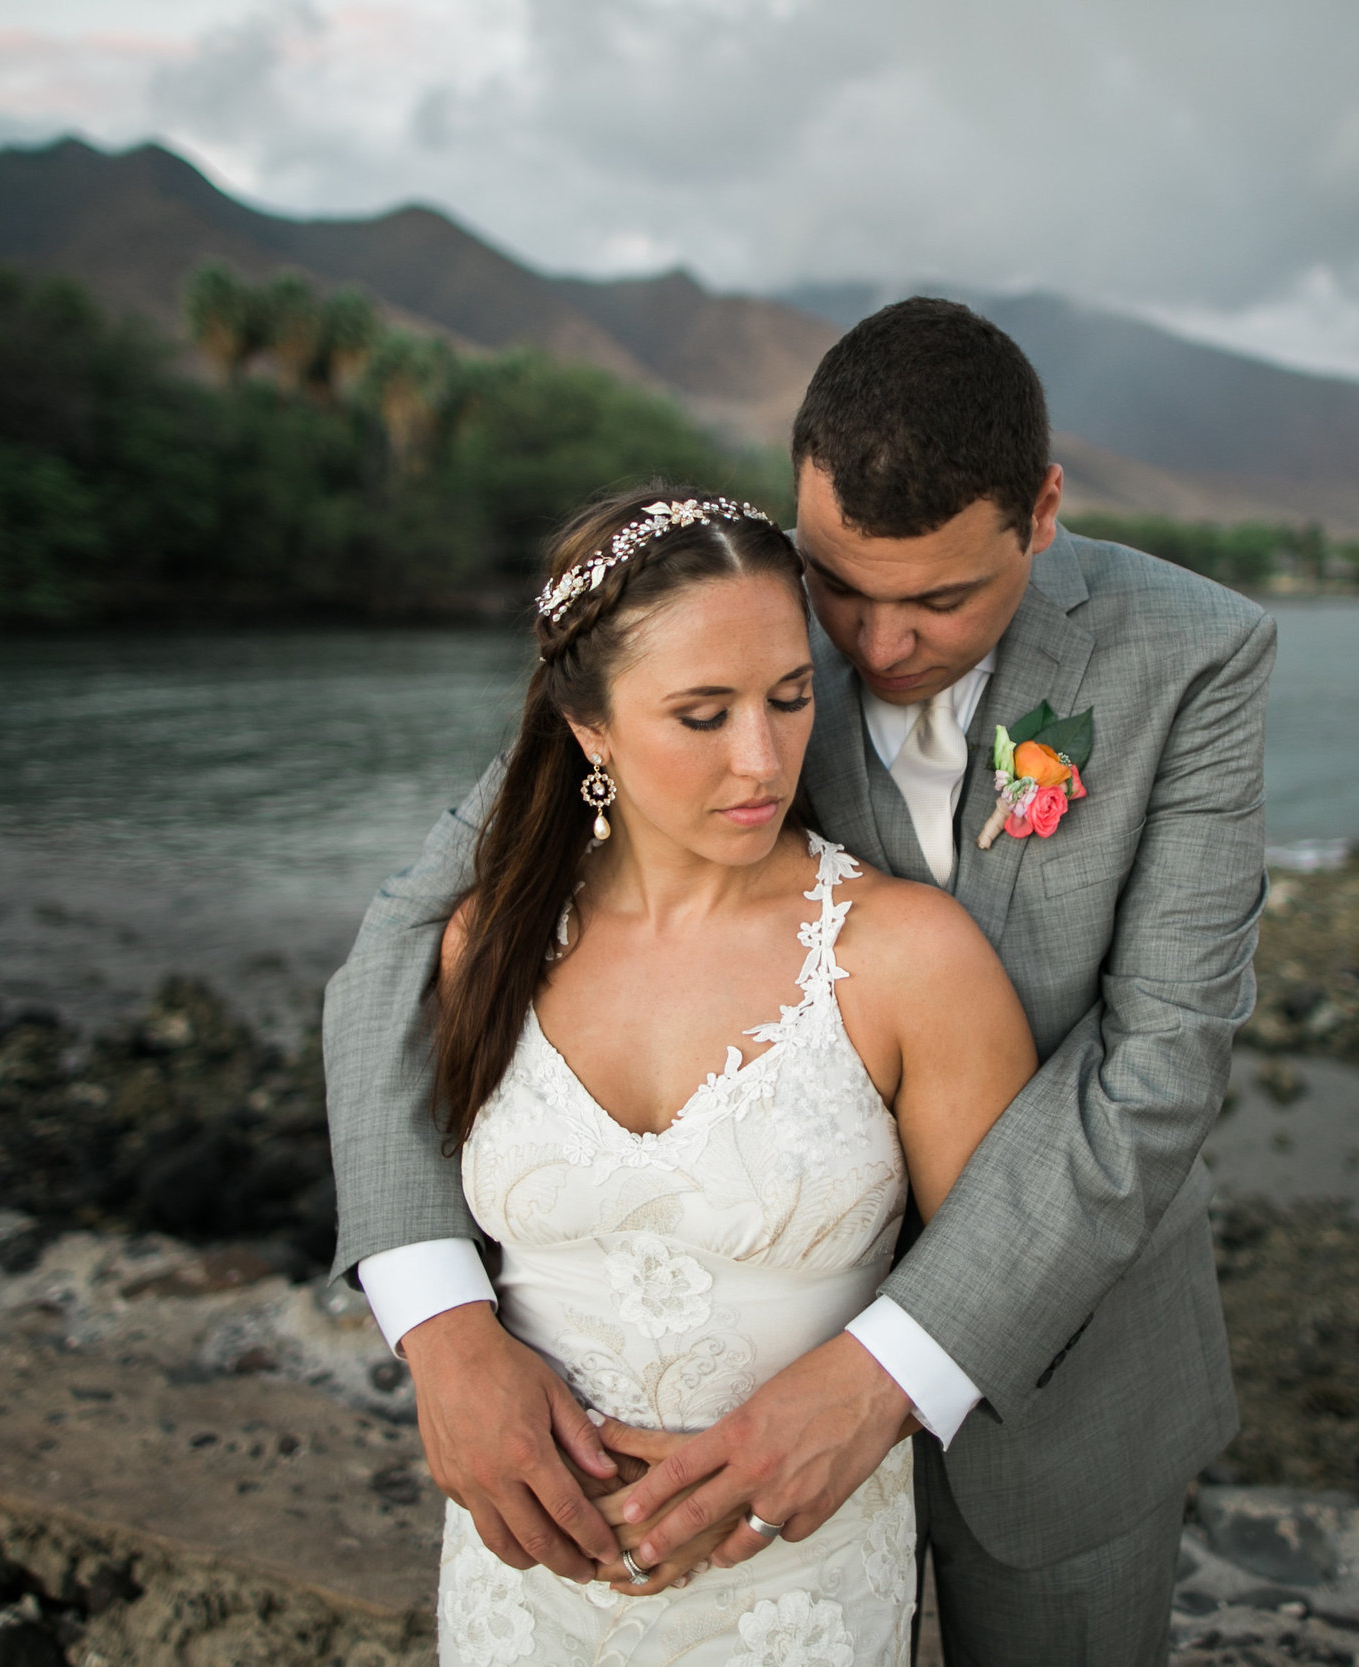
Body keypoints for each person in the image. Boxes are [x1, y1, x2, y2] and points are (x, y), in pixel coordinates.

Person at [328, 297, 1276, 1665]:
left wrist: (894, 1363)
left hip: (1067, 1373)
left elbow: (1163, 1061)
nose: (876, 648)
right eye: (845, 587)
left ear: (1044, 508)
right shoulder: (729, 624)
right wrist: (440, 1319)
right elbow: (398, 950)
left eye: (941, 597)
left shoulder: (1192, 657)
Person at [399, 482, 1038, 1662]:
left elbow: (1003, 1274)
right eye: (702, 714)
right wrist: (449, 1347)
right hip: (522, 1594)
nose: (762, 759)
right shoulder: (486, 942)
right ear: (588, 726)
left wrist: (867, 1410)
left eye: (791, 697)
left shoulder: (906, 957)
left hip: (793, 1592)